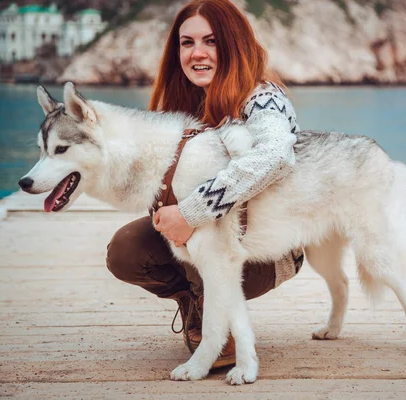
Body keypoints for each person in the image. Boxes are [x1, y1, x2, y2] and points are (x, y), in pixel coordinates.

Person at [106, 0, 303, 369]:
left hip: (269, 249)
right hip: (205, 240)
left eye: (211, 41)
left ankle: (221, 330)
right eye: (187, 42)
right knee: (126, 250)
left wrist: (191, 212)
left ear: (233, 44)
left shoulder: (263, 98)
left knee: (201, 227)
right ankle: (196, 298)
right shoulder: (180, 107)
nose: (197, 53)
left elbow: (276, 155)